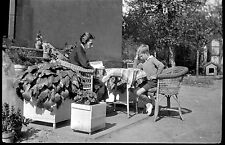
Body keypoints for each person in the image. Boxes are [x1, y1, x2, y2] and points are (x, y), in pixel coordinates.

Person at [69, 32, 108, 101]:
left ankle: (95, 101)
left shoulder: (79, 49)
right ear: (85, 42)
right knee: (101, 85)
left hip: (80, 73)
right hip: (80, 76)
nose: (92, 46)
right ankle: (96, 102)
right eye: (90, 44)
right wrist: (93, 68)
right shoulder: (79, 50)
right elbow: (85, 64)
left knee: (99, 83)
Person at [133, 44, 164, 116]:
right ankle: (149, 103)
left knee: (138, 92)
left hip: (152, 82)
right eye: (139, 57)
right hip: (146, 82)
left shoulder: (152, 59)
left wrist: (156, 75)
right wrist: (136, 58)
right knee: (134, 90)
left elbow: (161, 65)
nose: (140, 58)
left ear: (146, 53)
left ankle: (149, 103)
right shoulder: (144, 63)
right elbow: (134, 69)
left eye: (141, 56)